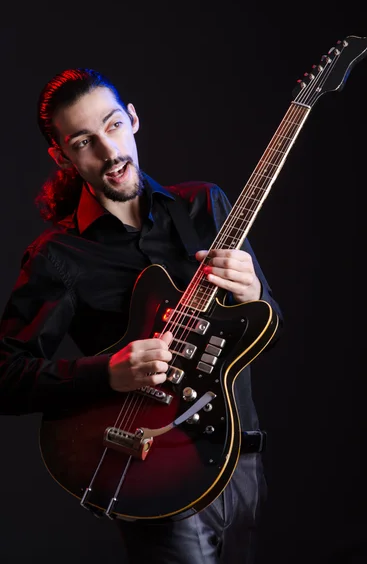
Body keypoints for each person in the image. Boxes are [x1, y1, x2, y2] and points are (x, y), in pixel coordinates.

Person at [0, 68, 283, 564]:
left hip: (242, 462)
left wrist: (255, 291)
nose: (109, 153)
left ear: (133, 119)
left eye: (112, 126)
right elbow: (4, 373)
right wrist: (108, 372)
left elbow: (267, 326)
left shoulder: (204, 206)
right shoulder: (58, 257)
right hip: (150, 466)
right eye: (85, 141)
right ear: (62, 155)